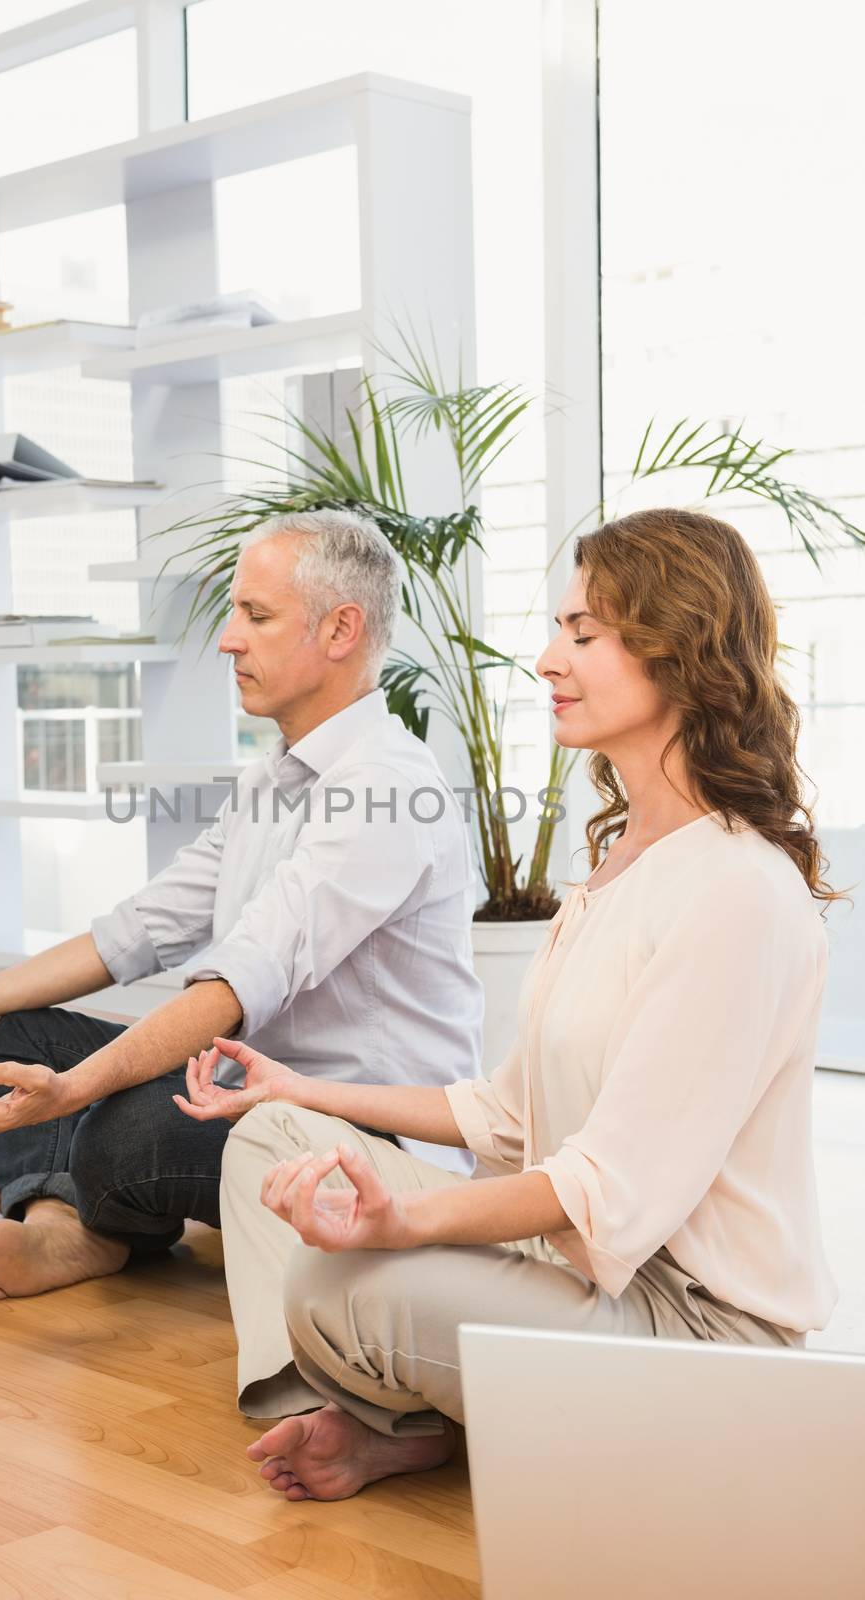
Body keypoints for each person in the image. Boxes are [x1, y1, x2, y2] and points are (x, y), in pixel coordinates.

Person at [176, 507, 842, 1502]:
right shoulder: (617, 865)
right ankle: (387, 1418)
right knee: (273, 1131)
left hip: (690, 1335)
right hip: (573, 1272)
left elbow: (593, 1188)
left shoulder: (733, 891)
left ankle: (378, 1408)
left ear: (679, 646)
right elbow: (506, 1114)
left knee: (328, 1281)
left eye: (582, 632)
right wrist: (297, 1083)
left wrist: (398, 1220)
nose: (545, 659)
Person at [0, 507, 484, 1308]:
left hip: (362, 1133)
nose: (228, 639)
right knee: (24, 1038)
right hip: (251, 1088)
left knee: (120, 1125)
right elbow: (135, 933)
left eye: (256, 614)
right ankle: (66, 1215)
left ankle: (65, 1184)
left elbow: (234, 990)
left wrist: (74, 1096)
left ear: (341, 629)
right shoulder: (271, 783)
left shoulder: (386, 789)